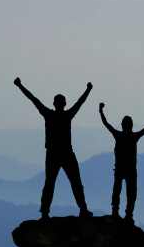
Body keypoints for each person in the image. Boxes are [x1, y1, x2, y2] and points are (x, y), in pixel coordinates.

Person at [14, 77, 94, 218]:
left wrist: (20, 85)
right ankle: (82, 209)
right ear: (64, 103)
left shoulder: (49, 114)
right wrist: (88, 89)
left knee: (50, 183)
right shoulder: (67, 115)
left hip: (53, 154)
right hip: (66, 153)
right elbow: (80, 102)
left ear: (55, 103)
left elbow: (33, 99)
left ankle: (45, 212)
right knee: (74, 182)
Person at [99, 103, 144, 221]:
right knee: (130, 194)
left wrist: (101, 111)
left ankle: (116, 212)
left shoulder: (119, 135)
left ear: (122, 125)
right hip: (130, 170)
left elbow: (106, 124)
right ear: (131, 125)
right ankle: (128, 214)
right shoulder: (133, 136)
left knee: (118, 191)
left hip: (121, 169)